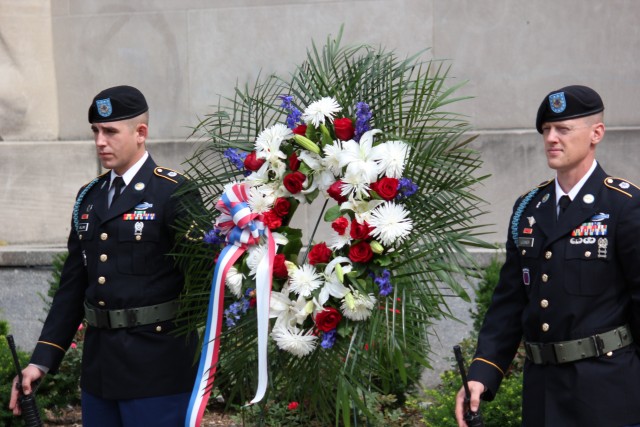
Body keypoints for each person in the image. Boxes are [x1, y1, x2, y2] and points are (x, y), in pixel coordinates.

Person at [9, 85, 199, 426]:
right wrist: (42, 360)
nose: (99, 141)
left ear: (141, 133)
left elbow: (201, 280)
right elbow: (72, 285)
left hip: (158, 369)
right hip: (100, 372)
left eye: (110, 131)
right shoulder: (89, 197)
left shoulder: (173, 192)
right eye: (96, 131)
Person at [455, 85, 640, 426]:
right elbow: (510, 302)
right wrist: (482, 373)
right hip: (542, 393)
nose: (552, 138)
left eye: (564, 129)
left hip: (608, 392)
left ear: (595, 133)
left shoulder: (624, 206)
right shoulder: (528, 208)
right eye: (547, 130)